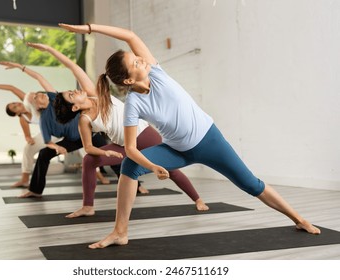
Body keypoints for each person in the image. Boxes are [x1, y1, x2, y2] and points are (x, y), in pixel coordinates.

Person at [59, 23, 321, 249]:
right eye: (135, 62)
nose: (142, 60)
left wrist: (89, 29)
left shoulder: (157, 73)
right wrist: (152, 166)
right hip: (177, 149)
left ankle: (299, 219)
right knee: (130, 165)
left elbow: (129, 35)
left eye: (138, 58)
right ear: (127, 81)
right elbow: (130, 148)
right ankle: (120, 232)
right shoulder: (133, 105)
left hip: (209, 140)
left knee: (251, 184)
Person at [26, 42, 208, 217]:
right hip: (122, 145)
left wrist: (49, 49)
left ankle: (197, 199)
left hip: (144, 136)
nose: (76, 91)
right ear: (74, 107)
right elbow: (88, 148)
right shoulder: (84, 120)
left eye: (72, 90)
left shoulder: (96, 94)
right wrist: (109, 154)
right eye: (72, 95)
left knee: (171, 170)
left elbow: (73, 67)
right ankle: (88, 206)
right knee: (89, 160)